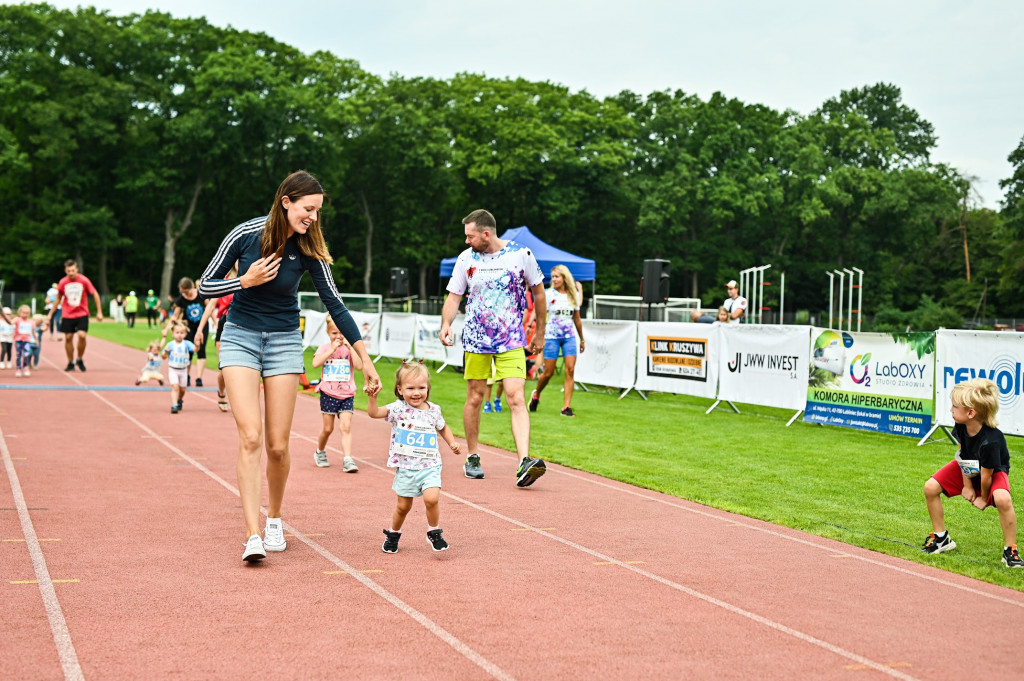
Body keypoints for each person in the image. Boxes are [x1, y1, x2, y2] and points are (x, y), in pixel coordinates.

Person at [197, 169, 381, 563]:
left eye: (317, 211)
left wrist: (364, 360)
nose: (313, 217)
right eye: (308, 209)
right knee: (251, 437)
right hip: (240, 338)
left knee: (278, 446)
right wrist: (243, 281)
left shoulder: (309, 246)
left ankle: (274, 519)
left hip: (283, 343)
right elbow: (204, 286)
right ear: (286, 202)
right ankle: (251, 535)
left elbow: (335, 304)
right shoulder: (245, 234)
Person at [439, 208, 548, 487]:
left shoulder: (520, 255)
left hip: (511, 340)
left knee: (515, 397)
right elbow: (454, 297)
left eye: (470, 236)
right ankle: (473, 456)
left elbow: (539, 292)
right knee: (475, 397)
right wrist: (446, 324)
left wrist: (540, 334)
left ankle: (525, 461)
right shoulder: (466, 259)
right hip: (476, 340)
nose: (466, 241)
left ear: (486, 234)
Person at [922, 378, 1022, 568]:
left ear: (971, 413)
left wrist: (983, 498)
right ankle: (942, 538)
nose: (951, 410)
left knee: (1003, 499)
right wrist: (966, 485)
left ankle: (1010, 550)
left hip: (991, 472)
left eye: (954, 406)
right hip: (968, 466)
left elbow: (986, 476)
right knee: (930, 487)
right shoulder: (960, 425)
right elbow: (962, 455)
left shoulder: (991, 440)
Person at [366, 362, 460, 553]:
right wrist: (372, 398)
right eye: (410, 388)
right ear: (400, 390)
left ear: (428, 388)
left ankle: (433, 531)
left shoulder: (434, 410)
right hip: (407, 467)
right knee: (403, 506)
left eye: (421, 388)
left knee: (432, 499)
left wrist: (452, 443)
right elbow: (374, 413)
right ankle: (393, 534)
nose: (416, 393)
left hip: (430, 465)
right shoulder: (398, 409)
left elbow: (442, 427)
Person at [528, 265, 586, 417]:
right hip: (552, 337)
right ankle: (537, 394)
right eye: (552, 276)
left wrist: (582, 339)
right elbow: (539, 313)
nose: (554, 279)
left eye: (557, 276)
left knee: (570, 370)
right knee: (548, 373)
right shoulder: (548, 294)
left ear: (564, 278)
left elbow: (577, 319)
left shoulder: (572, 296)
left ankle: (566, 407)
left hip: (569, 337)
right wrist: (531, 326)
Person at [311, 315, 362, 472]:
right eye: (334, 333)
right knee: (328, 429)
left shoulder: (350, 348)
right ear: (328, 333)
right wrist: (332, 349)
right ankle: (320, 452)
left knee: (345, 427)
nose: (338, 336)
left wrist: (351, 347)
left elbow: (359, 366)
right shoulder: (325, 348)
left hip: (347, 394)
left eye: (342, 333)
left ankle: (347, 459)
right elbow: (315, 363)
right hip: (328, 393)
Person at [46, 259, 104, 372]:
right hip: (68, 314)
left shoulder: (84, 280)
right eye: (68, 271)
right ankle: (70, 361)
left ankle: (80, 358)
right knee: (68, 338)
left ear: (76, 269)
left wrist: (99, 311)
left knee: (82, 336)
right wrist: (50, 314)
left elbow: (95, 294)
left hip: (82, 313)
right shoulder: (63, 282)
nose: (71, 273)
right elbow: (58, 298)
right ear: (65, 271)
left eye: (72, 270)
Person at [196, 267, 237, 412]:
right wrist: (200, 329)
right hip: (226, 324)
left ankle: (241, 400)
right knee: (224, 368)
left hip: (246, 325)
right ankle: (221, 392)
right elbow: (210, 306)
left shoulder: (252, 276)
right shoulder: (224, 281)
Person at [163, 278, 208, 387]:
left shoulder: (201, 294)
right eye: (182, 292)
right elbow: (175, 316)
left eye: (185, 292)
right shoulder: (181, 299)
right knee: (188, 351)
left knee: (201, 350)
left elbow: (209, 310)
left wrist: (216, 323)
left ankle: (199, 378)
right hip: (188, 329)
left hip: (202, 327)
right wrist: (167, 328)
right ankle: (186, 376)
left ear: (191, 288)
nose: (184, 294)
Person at [162, 321, 194, 413]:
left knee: (183, 389)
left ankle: (180, 399)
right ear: (172, 334)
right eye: (177, 333)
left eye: (182, 333)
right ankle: (174, 405)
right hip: (173, 369)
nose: (179, 335)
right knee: (175, 387)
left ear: (185, 334)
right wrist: (165, 352)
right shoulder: (170, 345)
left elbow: (195, 349)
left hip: (184, 370)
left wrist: (198, 345)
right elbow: (163, 357)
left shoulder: (187, 344)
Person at [12, 305, 39, 377]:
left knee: (26, 355)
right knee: (18, 355)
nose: (25, 314)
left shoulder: (31, 322)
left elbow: (33, 332)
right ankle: (18, 369)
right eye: (23, 312)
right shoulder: (17, 320)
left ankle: (25, 367)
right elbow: (11, 322)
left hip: (27, 341)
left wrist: (36, 340)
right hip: (18, 341)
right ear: (20, 312)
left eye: (27, 313)